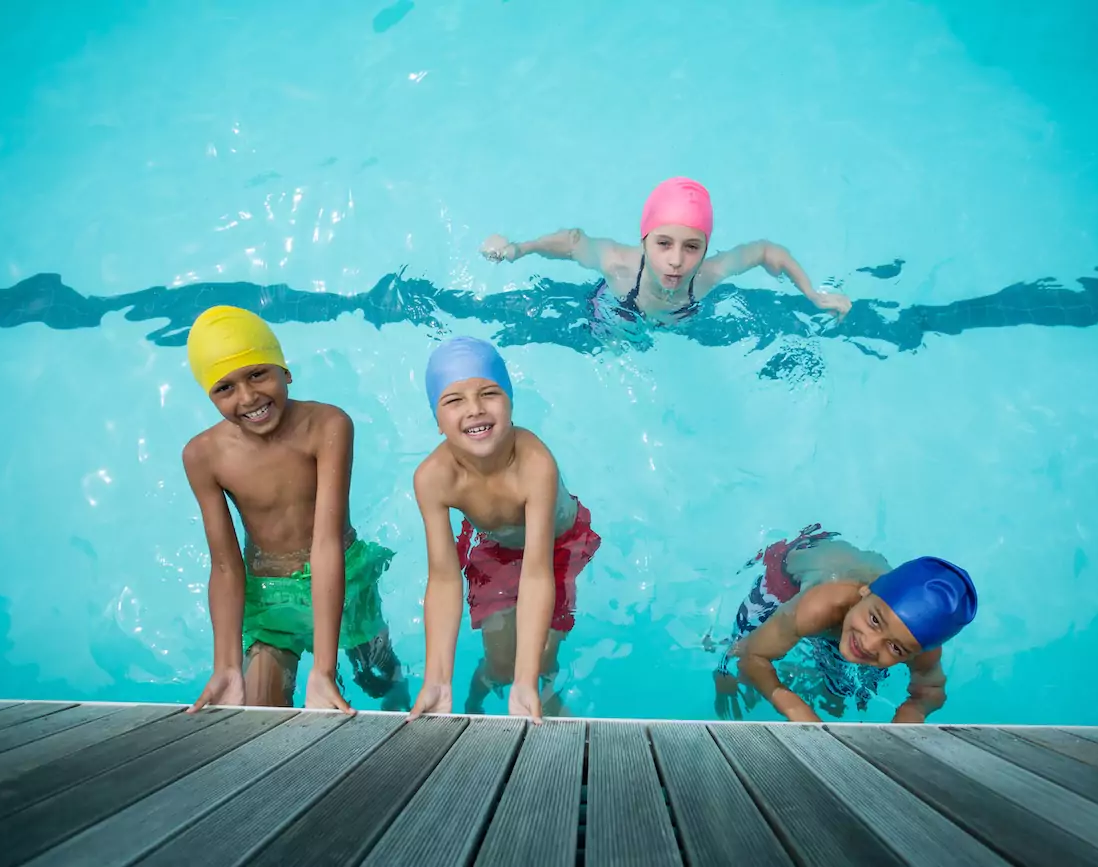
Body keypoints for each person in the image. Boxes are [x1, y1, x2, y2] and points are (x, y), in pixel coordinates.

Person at [181, 305, 408, 714]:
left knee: (380, 680)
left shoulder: (327, 425)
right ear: (209, 396)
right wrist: (225, 665)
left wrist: (323, 668)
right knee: (260, 709)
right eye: (224, 388)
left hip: (342, 575)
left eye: (257, 374)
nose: (248, 397)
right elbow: (226, 566)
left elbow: (326, 543)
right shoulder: (203, 456)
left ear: (285, 370)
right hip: (268, 597)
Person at [408, 337, 601, 723]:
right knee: (499, 665)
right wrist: (437, 677)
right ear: (437, 419)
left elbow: (536, 572)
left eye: (489, 393)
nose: (475, 410)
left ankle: (539, 694)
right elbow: (445, 579)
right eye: (453, 400)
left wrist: (526, 680)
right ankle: (477, 687)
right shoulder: (434, 478)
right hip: (493, 545)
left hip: (557, 546)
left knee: (540, 658)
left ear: (511, 402)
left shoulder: (533, 464)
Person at [480, 176, 852, 323]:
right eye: (663, 244)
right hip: (615, 317)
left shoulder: (709, 274)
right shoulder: (619, 265)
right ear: (644, 239)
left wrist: (813, 295)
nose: (676, 260)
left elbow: (768, 251)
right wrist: (516, 249)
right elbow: (572, 241)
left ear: (706, 248)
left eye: (692, 247)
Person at [710, 524, 976, 723]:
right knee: (738, 648)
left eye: (897, 648)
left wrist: (904, 725)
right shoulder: (819, 606)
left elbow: (931, 692)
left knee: (839, 696)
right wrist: (796, 708)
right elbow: (752, 656)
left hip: (860, 596)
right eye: (875, 620)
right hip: (788, 577)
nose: (870, 644)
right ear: (865, 592)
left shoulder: (922, 640)